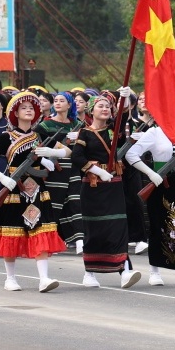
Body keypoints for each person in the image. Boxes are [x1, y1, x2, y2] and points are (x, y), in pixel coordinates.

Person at [0, 91, 66, 292]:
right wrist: (2, 178)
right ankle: (10, 278)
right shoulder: (6, 137)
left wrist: (51, 153)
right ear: (15, 113)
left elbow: (67, 151)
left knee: (40, 229)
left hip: (37, 189)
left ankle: (44, 278)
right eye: (23, 108)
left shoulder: (39, 137)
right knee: (12, 232)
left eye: (32, 108)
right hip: (14, 189)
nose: (28, 110)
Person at [125, 112, 175, 289]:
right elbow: (131, 154)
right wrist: (150, 173)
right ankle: (154, 271)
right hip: (159, 182)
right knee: (157, 225)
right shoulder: (154, 132)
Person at [71, 91, 142, 289]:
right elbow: (77, 157)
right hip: (93, 187)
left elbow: (123, 118)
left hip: (114, 186)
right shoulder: (84, 133)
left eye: (108, 106)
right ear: (91, 111)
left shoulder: (113, 130)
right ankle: (89, 272)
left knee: (118, 227)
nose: (105, 109)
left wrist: (124, 101)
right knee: (94, 229)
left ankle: (125, 271)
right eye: (100, 106)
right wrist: (97, 171)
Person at [37, 91, 84, 254]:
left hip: (73, 167)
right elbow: (37, 144)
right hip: (55, 168)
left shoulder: (77, 124)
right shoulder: (45, 125)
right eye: (55, 100)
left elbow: (86, 145)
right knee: (55, 204)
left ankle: (80, 240)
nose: (57, 103)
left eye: (62, 100)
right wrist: (46, 158)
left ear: (69, 104)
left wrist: (80, 137)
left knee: (76, 202)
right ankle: (50, 241)